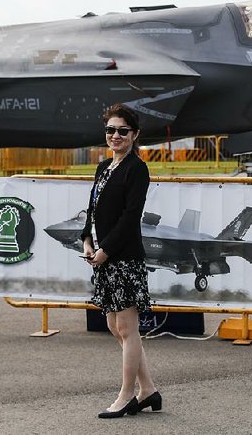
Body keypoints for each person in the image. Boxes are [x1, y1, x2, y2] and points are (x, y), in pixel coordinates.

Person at [80, 103, 162, 419]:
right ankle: (148, 389)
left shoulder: (136, 169)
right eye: (111, 130)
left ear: (134, 135)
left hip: (124, 258)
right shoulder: (104, 168)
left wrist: (107, 250)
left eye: (122, 131)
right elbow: (93, 207)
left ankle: (127, 395)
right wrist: (87, 239)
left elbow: (131, 217)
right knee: (116, 326)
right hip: (104, 257)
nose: (116, 135)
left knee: (127, 327)